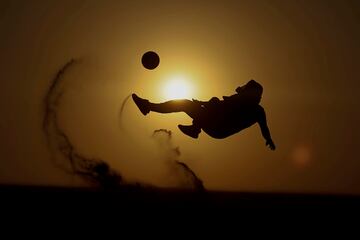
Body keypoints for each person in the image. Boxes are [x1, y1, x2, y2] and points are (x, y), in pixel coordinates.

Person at [132, 79, 276, 150]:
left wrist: (202, 103)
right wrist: (268, 139)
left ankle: (195, 128)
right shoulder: (256, 110)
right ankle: (148, 106)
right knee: (184, 104)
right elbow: (264, 128)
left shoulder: (250, 107)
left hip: (217, 126)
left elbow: (218, 105)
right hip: (216, 126)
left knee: (188, 104)